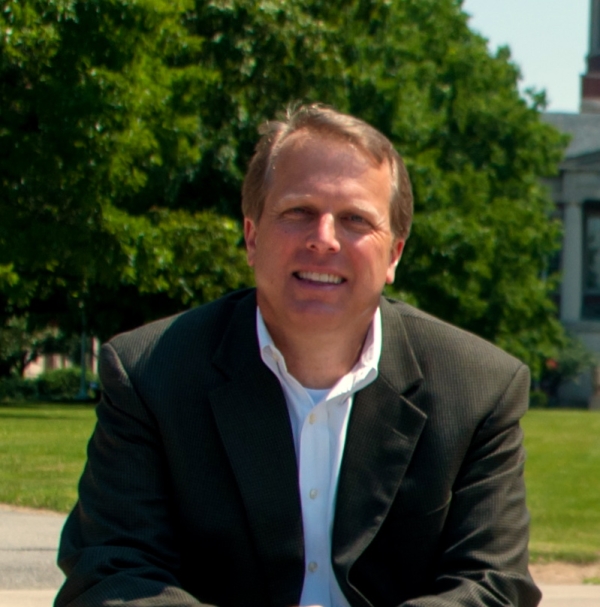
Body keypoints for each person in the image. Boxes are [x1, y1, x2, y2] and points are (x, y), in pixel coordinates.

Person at [56, 104, 541, 607]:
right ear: (251, 236)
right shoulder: (150, 373)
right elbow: (109, 571)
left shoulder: (479, 387)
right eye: (298, 212)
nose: (324, 239)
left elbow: (493, 585)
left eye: (355, 220)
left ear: (394, 254)